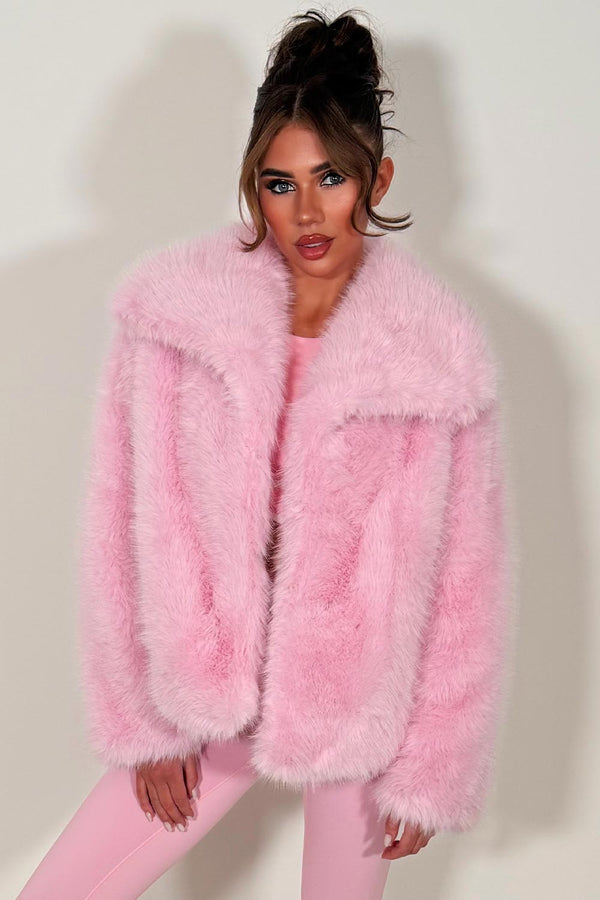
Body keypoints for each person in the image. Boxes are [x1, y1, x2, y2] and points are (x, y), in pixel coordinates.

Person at [17, 8, 512, 899]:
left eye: (331, 178)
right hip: (205, 694)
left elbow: (466, 581)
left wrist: (433, 764)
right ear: (253, 186)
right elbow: (119, 529)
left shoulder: (434, 357)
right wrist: (147, 725)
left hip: (358, 707)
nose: (307, 211)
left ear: (377, 177)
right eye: (280, 184)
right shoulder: (176, 321)